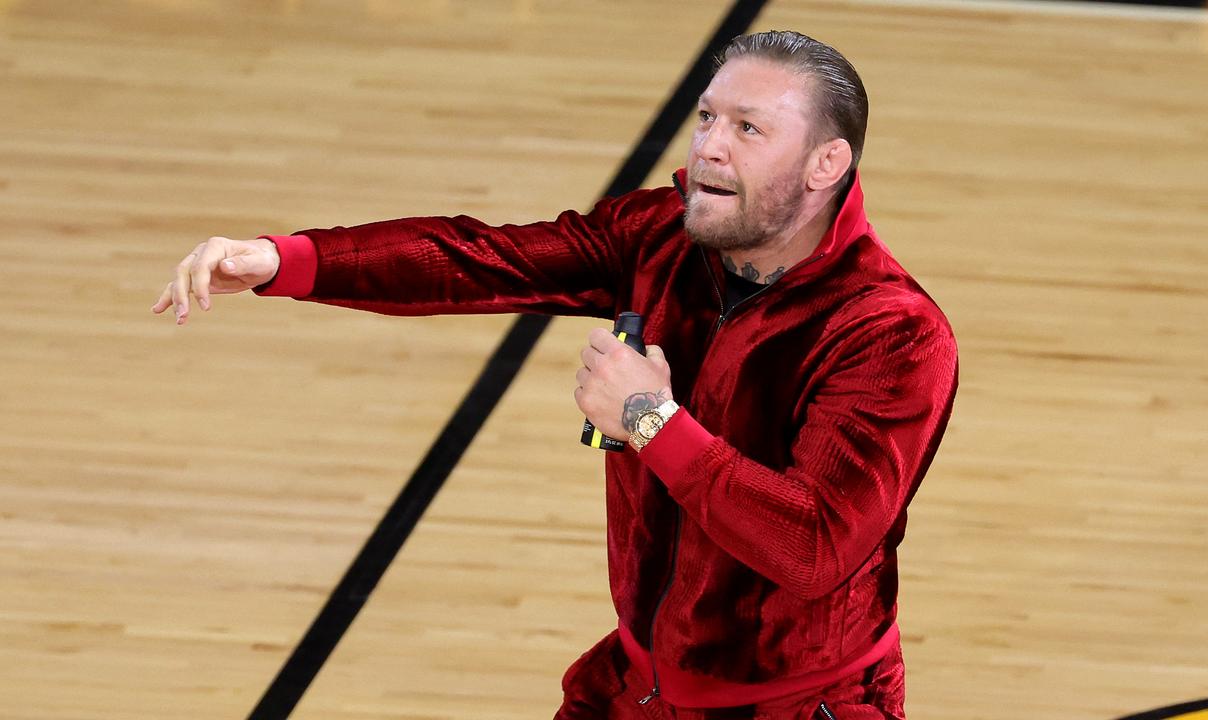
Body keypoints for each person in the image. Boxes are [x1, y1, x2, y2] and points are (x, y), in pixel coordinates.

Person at [153, 30, 958, 720]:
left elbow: (814, 545)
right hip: (636, 685)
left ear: (827, 163)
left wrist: (650, 421)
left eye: (749, 128)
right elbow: (483, 260)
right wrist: (286, 261)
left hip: (797, 704)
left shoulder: (890, 333)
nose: (709, 144)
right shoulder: (659, 238)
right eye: (707, 116)